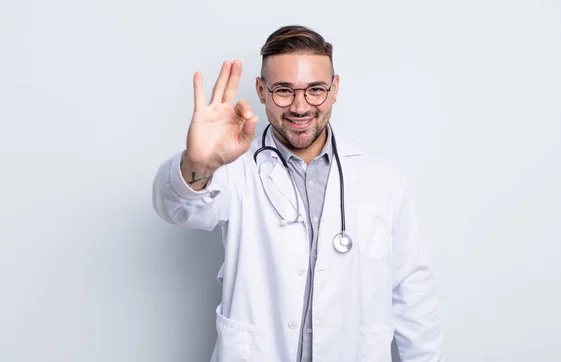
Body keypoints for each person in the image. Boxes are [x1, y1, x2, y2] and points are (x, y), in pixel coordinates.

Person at [152, 25, 444, 362]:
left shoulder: (382, 178)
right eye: (283, 91)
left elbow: (412, 290)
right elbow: (176, 208)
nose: (300, 107)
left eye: (315, 89)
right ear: (261, 91)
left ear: (334, 89)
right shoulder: (235, 167)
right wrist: (198, 164)